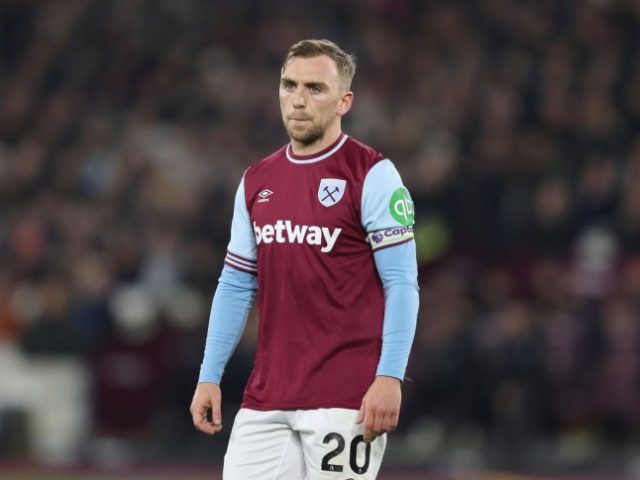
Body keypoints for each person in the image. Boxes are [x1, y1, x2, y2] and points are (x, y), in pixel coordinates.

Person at [190, 38, 419, 479]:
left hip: (345, 398)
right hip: (266, 398)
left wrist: (390, 377)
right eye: (289, 85)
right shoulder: (257, 180)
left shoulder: (372, 175)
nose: (297, 99)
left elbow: (402, 283)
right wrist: (209, 375)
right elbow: (237, 284)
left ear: (344, 101)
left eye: (315, 88)